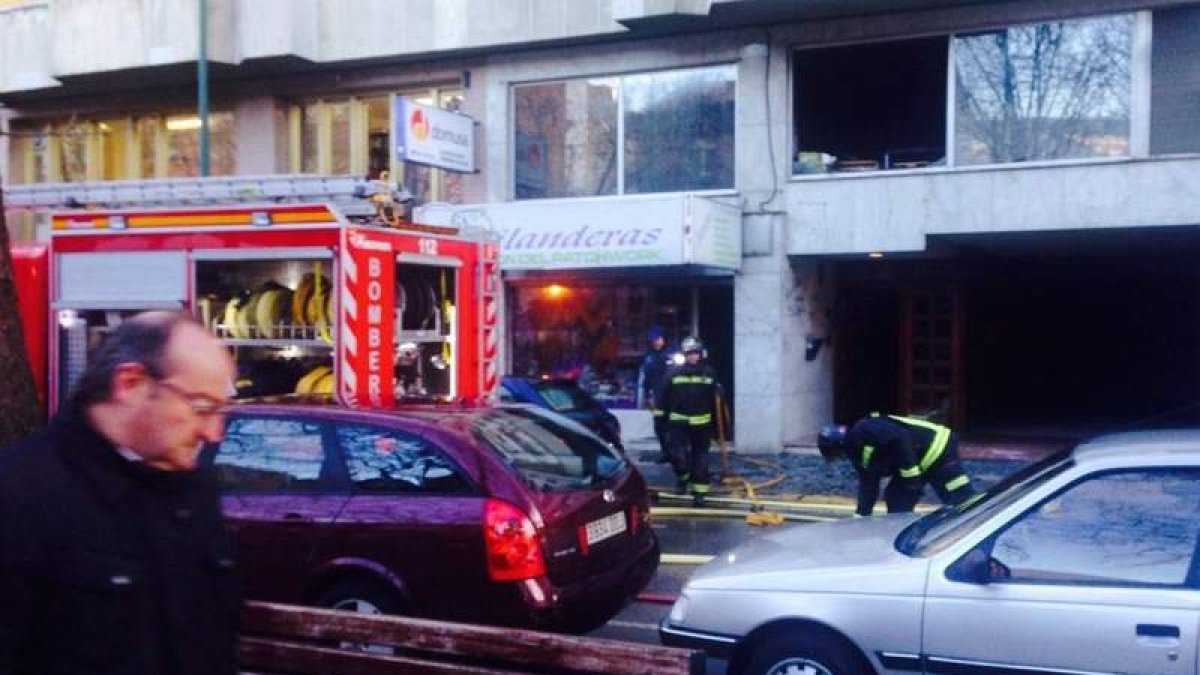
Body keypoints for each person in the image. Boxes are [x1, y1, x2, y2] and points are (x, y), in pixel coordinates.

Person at [0, 311, 241, 675]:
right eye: (202, 408)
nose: (213, 432)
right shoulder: (20, 495)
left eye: (220, 410)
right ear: (130, 383)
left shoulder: (195, 489)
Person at [818, 412, 977, 517]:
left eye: (836, 455)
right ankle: (903, 538)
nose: (840, 458)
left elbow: (900, 439)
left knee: (960, 498)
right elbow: (868, 486)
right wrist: (860, 516)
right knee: (896, 498)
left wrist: (911, 477)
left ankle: (979, 525)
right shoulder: (859, 455)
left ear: (839, 446)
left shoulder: (864, 429)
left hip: (937, 447)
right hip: (919, 461)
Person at [658, 336, 723, 506]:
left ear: (701, 354)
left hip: (702, 425)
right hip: (678, 424)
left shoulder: (709, 373)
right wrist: (660, 421)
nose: (693, 356)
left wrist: (718, 427)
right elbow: (662, 398)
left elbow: (716, 403)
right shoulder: (673, 374)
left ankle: (699, 494)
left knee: (700, 459)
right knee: (678, 457)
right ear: (684, 355)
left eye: (696, 353)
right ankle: (683, 478)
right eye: (689, 353)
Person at [637, 325, 672, 463]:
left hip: (671, 398)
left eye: (659, 338)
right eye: (654, 339)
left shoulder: (670, 355)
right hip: (657, 398)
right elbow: (646, 379)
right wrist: (647, 396)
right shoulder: (649, 357)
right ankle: (666, 453)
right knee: (659, 427)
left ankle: (675, 453)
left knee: (673, 428)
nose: (657, 342)